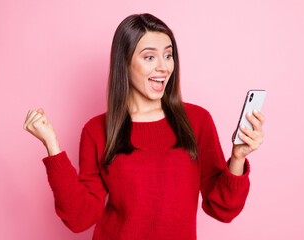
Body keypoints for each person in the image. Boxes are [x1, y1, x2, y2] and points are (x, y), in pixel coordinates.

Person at [23, 13, 265, 240]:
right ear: (125, 63)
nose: (163, 67)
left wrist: (237, 157)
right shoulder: (96, 130)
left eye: (168, 55)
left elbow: (222, 209)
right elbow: (80, 218)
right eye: (150, 57)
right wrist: (52, 145)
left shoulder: (197, 120)